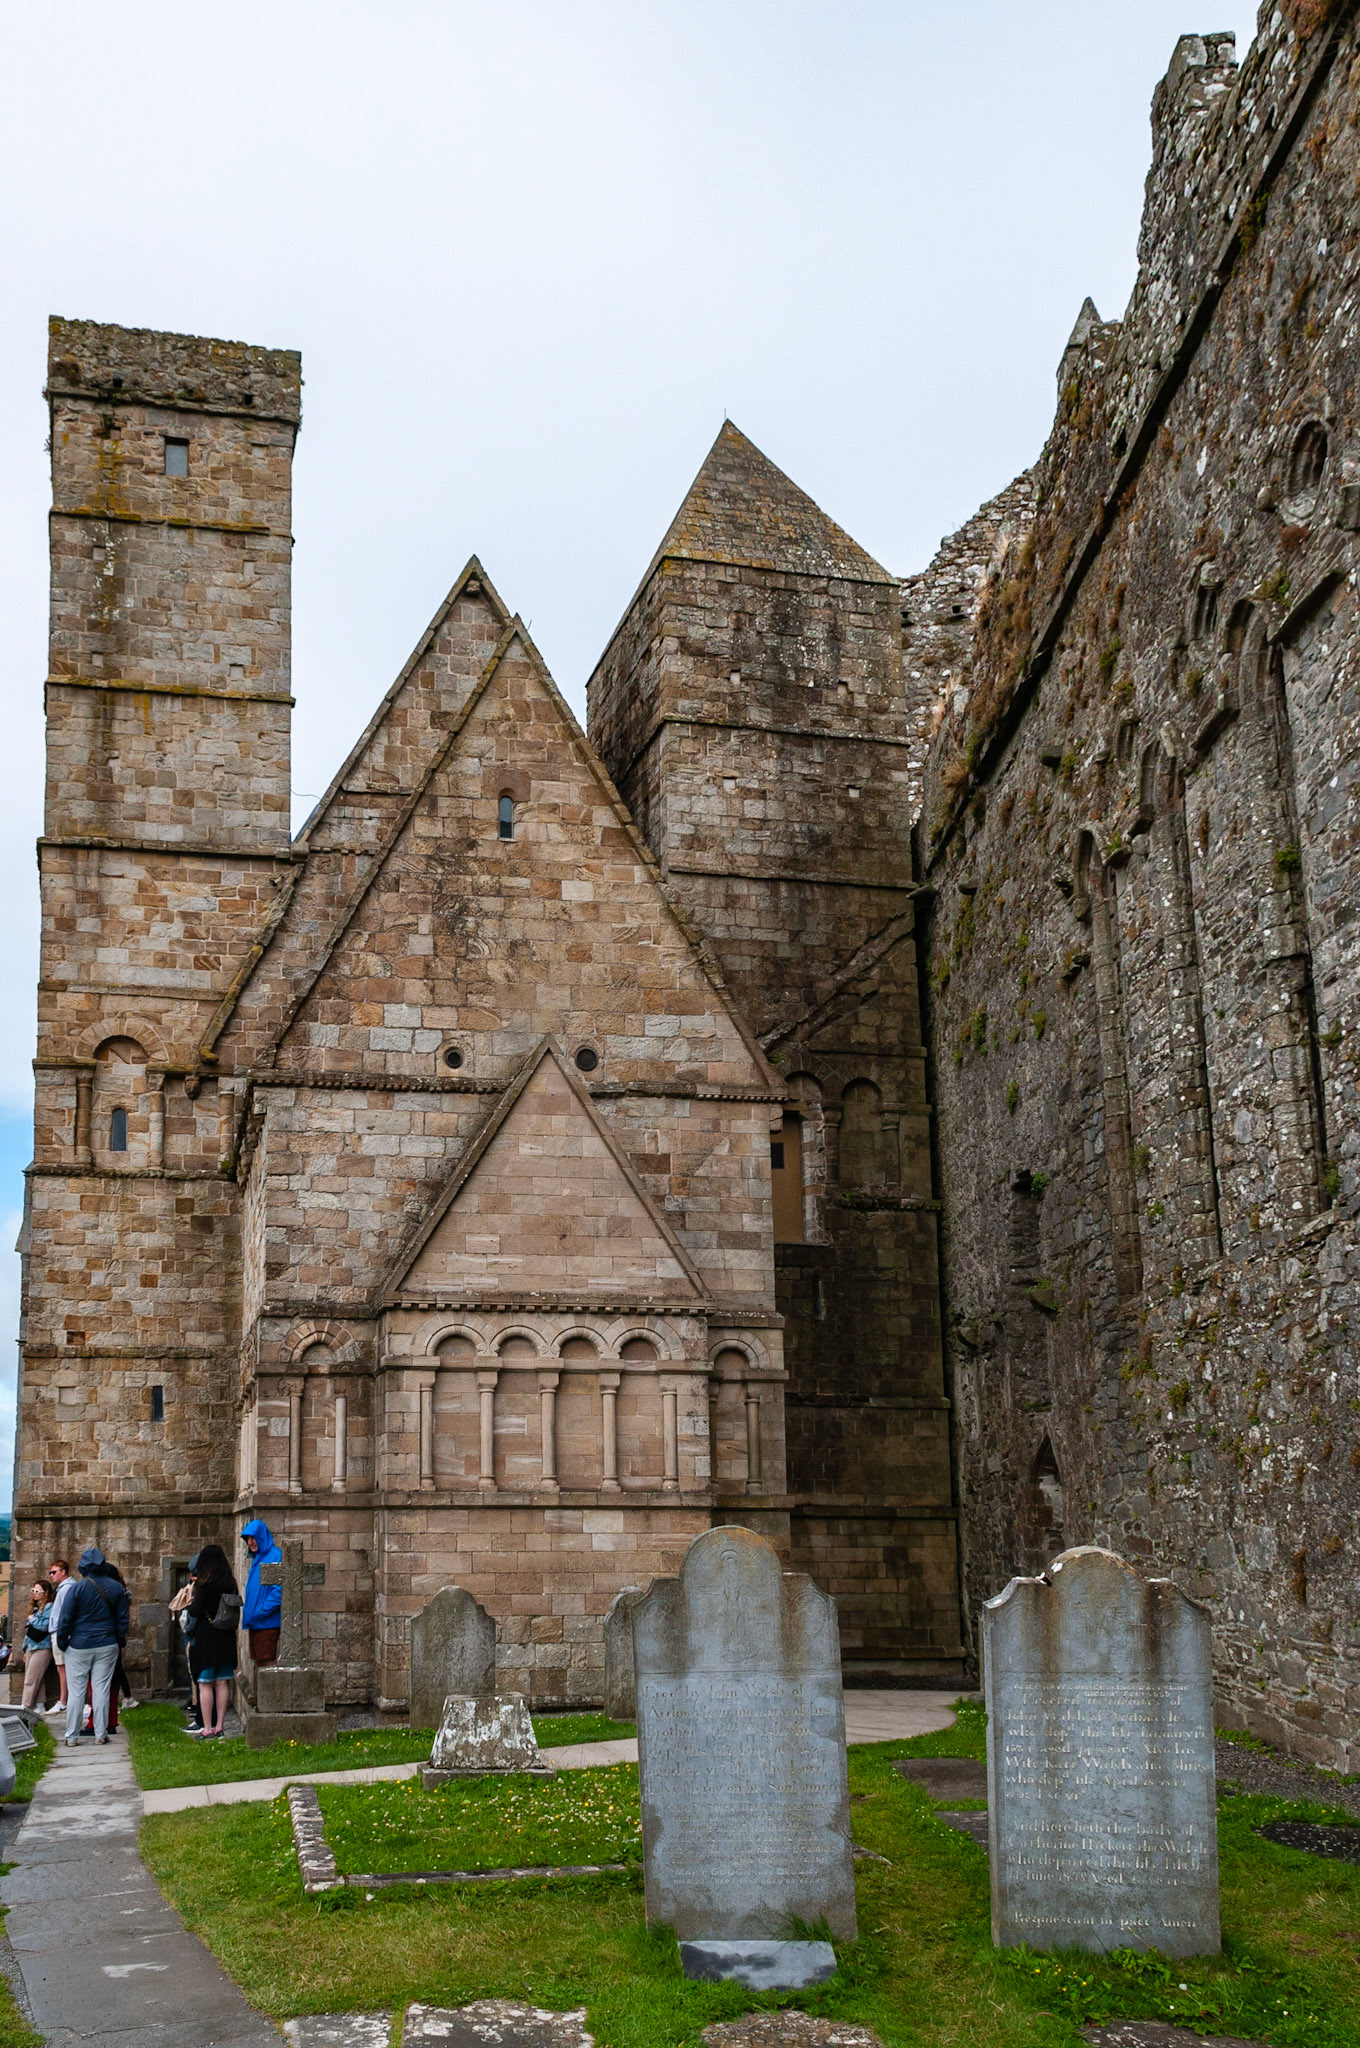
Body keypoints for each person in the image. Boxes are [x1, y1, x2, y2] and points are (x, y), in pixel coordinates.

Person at [55, 1547, 128, 1746]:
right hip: (107, 1642)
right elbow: (123, 1619)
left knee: (77, 1691)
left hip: (79, 1644)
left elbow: (65, 1619)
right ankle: (100, 1733)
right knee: (101, 1689)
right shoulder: (116, 1588)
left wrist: (63, 1643)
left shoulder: (76, 1589)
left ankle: (71, 1736)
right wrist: (119, 1640)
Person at [186, 1545, 240, 1738]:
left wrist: (191, 1600)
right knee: (222, 1683)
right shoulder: (230, 1582)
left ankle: (207, 1728)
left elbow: (194, 1610)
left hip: (207, 1636)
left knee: (205, 1683)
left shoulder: (204, 1583)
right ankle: (220, 1727)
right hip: (225, 1636)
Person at [79, 1556, 129, 1735]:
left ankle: (96, 1723)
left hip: (99, 1641)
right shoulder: (121, 1592)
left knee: (97, 1685)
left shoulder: (94, 1591)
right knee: (112, 1683)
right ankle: (111, 1721)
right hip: (114, 1641)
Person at [241, 1520, 282, 1668]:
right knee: (259, 1663)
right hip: (257, 1622)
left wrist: (260, 1612)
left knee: (267, 1663)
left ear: (262, 1537)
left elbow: (278, 1591)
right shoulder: (258, 1558)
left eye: (253, 1537)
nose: (250, 1542)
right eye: (248, 1539)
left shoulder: (275, 1556)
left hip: (266, 1622)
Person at [45, 1560, 75, 1718]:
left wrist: (61, 1632)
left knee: (63, 1668)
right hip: (59, 1631)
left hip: (61, 1632)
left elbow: (66, 1613)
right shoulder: (65, 1588)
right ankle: (65, 1700)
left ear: (63, 1572)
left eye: (54, 1572)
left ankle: (64, 1701)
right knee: (62, 1668)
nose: (51, 1576)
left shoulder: (66, 1589)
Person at [19, 1582, 54, 1710]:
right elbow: (29, 1632)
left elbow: (44, 1626)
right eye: (33, 1590)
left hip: (43, 1647)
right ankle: (40, 1705)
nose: (34, 1593)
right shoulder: (35, 1608)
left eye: (37, 1591)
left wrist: (32, 1619)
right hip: (31, 1646)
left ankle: (25, 1706)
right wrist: (24, 1648)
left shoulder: (49, 1607)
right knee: (36, 1676)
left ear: (45, 1593)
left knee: (31, 1678)